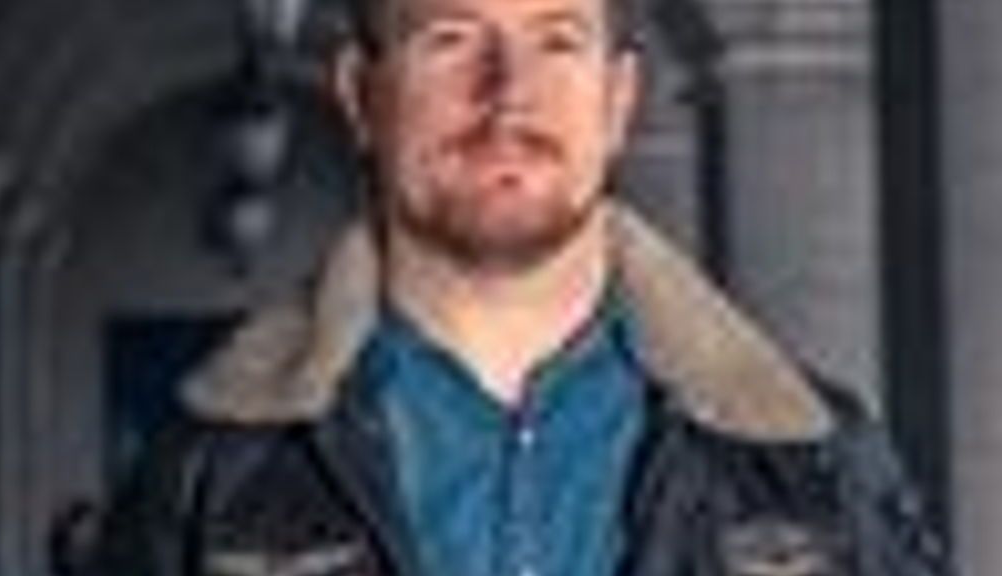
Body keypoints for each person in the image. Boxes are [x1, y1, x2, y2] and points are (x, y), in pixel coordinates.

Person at [96, 0, 950, 574]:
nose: (508, 95)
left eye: (557, 40)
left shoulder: (820, 469)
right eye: (451, 38)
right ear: (362, 95)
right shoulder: (204, 477)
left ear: (617, 100)